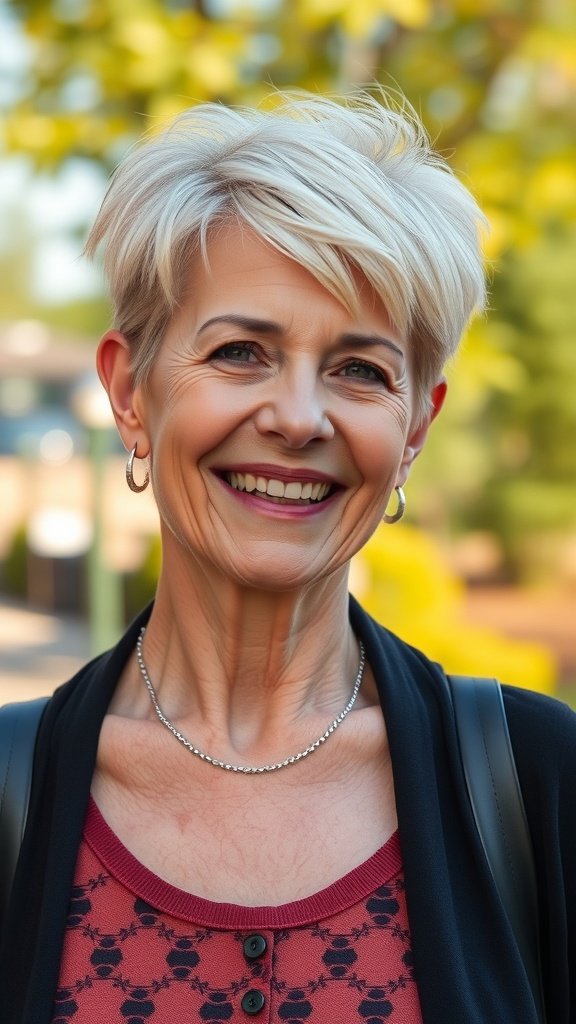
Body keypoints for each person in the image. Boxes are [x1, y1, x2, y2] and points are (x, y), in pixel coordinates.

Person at [1, 90, 575, 1024]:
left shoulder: (537, 783)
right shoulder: (9, 790)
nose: (300, 418)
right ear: (130, 391)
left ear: (416, 425)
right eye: (239, 353)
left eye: (360, 370)